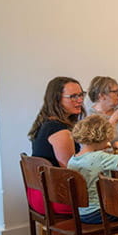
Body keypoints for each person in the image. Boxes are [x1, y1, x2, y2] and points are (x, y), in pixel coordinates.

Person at [26, 76, 84, 214]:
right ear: (57, 100)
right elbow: (71, 170)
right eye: (73, 96)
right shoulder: (58, 129)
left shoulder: (45, 122)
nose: (80, 100)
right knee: (117, 202)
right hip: (55, 198)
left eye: (81, 95)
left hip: (40, 193)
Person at [68, 115, 118, 224]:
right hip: (99, 212)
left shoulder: (73, 159)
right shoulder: (99, 157)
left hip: (82, 212)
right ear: (102, 137)